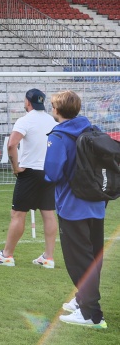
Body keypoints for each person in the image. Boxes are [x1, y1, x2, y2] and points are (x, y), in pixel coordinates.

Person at [44, 90, 108, 329]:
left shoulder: (59, 135)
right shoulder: (93, 129)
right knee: (92, 256)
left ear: (56, 110)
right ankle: (82, 299)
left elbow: (52, 173)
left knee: (78, 259)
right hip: (97, 203)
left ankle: (91, 314)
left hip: (73, 206)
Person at [0, 88, 57, 268]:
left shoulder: (25, 120)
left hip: (30, 172)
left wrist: (15, 167)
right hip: (48, 172)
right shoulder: (52, 121)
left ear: (27, 102)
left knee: (18, 214)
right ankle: (48, 257)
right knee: (48, 214)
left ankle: (7, 255)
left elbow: (11, 145)